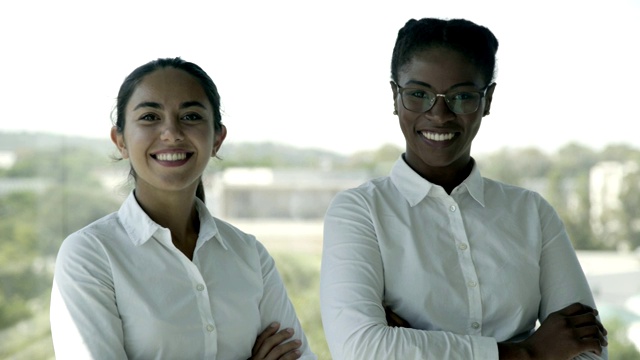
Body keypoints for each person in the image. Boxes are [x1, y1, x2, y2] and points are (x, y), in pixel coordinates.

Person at [320, 18, 608, 359]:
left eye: (462, 96)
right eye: (418, 94)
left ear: (487, 101)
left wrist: (416, 347)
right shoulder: (360, 212)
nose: (439, 114)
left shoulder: (532, 212)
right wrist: (527, 352)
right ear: (395, 97)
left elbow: (588, 350)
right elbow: (359, 349)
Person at [50, 57, 316, 360]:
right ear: (120, 141)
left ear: (217, 138)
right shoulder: (90, 254)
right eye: (150, 117)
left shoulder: (249, 254)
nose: (171, 132)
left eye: (190, 116)